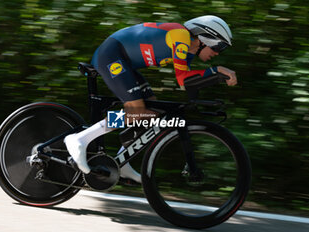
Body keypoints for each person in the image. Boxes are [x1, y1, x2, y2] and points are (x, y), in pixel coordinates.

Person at [64, 15, 237, 184]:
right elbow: (183, 79)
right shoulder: (181, 35)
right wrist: (216, 72)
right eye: (219, 47)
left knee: (152, 113)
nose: (217, 53)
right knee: (136, 110)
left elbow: (186, 83)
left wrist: (213, 79)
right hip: (111, 55)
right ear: (205, 37)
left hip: (125, 63)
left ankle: (123, 162)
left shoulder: (188, 50)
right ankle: (80, 139)